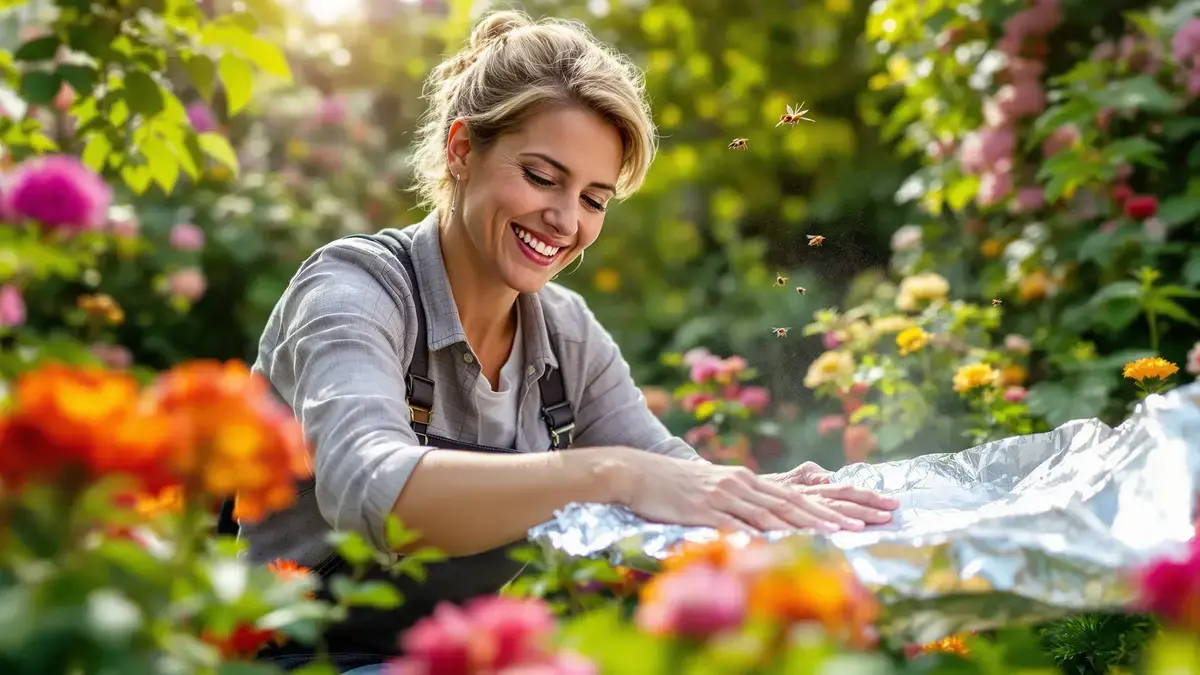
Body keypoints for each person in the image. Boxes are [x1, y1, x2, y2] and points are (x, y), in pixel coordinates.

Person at [239, 9, 899, 673]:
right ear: (462, 149)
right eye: (541, 176)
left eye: (594, 199)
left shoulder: (564, 330)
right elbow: (372, 489)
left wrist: (765, 499)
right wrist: (610, 474)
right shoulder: (354, 289)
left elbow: (667, 474)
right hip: (293, 656)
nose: (564, 220)